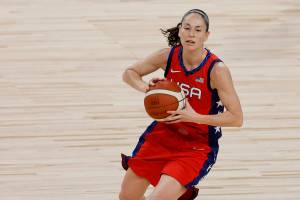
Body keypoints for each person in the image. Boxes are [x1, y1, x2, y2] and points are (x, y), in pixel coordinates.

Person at [119, 9, 243, 200]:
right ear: (180, 31)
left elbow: (236, 118)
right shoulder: (167, 56)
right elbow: (129, 73)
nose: (191, 34)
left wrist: (194, 117)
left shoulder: (217, 70)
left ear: (206, 35)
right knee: (127, 197)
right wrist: (147, 89)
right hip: (163, 135)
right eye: (187, 28)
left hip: (196, 146)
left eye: (198, 30)